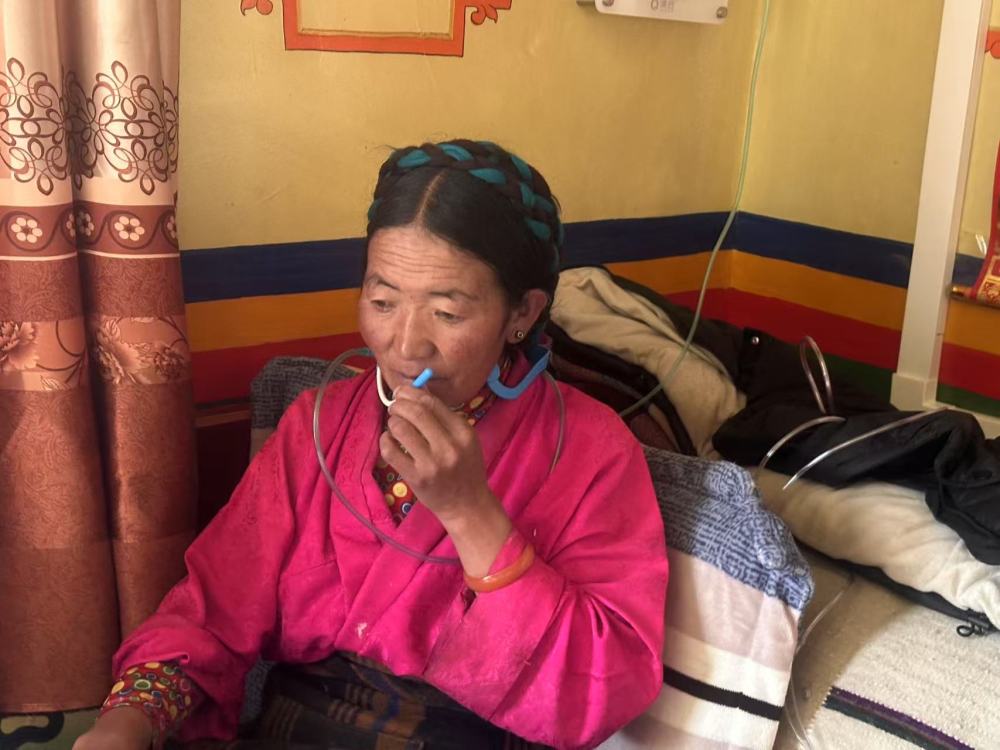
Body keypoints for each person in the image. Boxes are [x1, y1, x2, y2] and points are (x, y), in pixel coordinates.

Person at [73, 139, 668, 750]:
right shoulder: (318, 426)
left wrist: (470, 511)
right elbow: (211, 611)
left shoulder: (592, 450)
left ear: (521, 312)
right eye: (382, 302)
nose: (405, 346)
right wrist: (128, 722)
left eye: (447, 313)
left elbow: (600, 691)